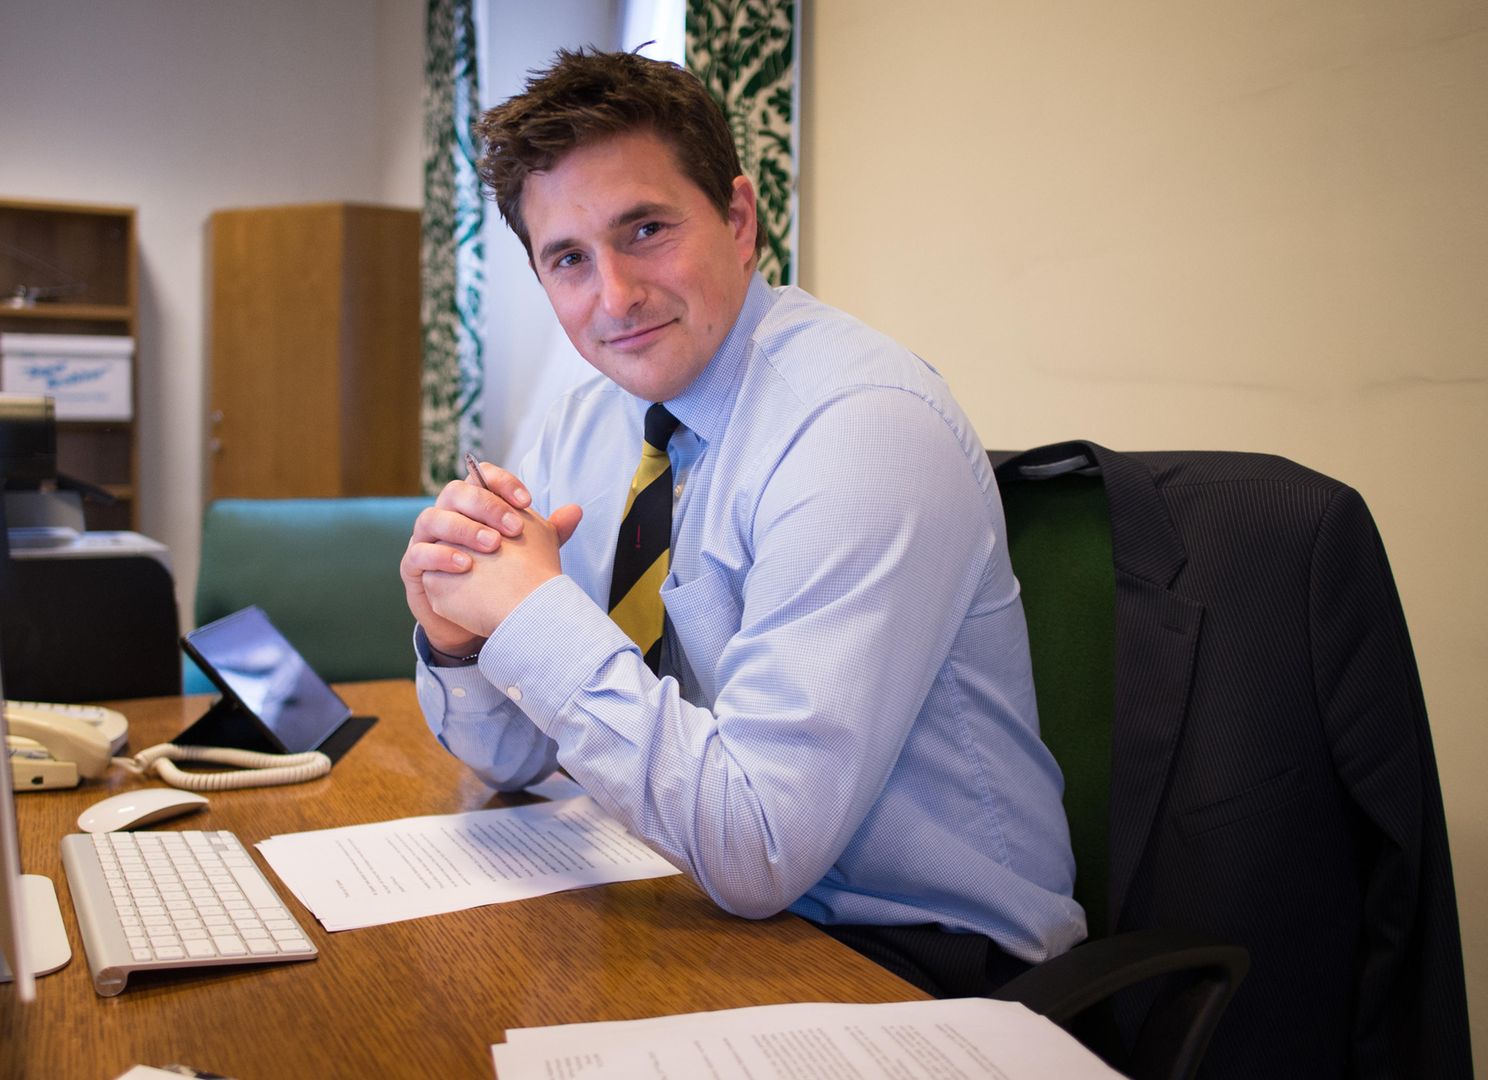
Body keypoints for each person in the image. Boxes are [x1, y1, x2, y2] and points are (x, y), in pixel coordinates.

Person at [399, 47, 1084, 996]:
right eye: (568, 260)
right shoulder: (584, 417)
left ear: (737, 218)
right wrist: (461, 641)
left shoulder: (860, 428)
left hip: (919, 961)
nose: (615, 297)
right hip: (699, 901)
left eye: (644, 229)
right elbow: (515, 757)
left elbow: (759, 845)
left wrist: (529, 615)